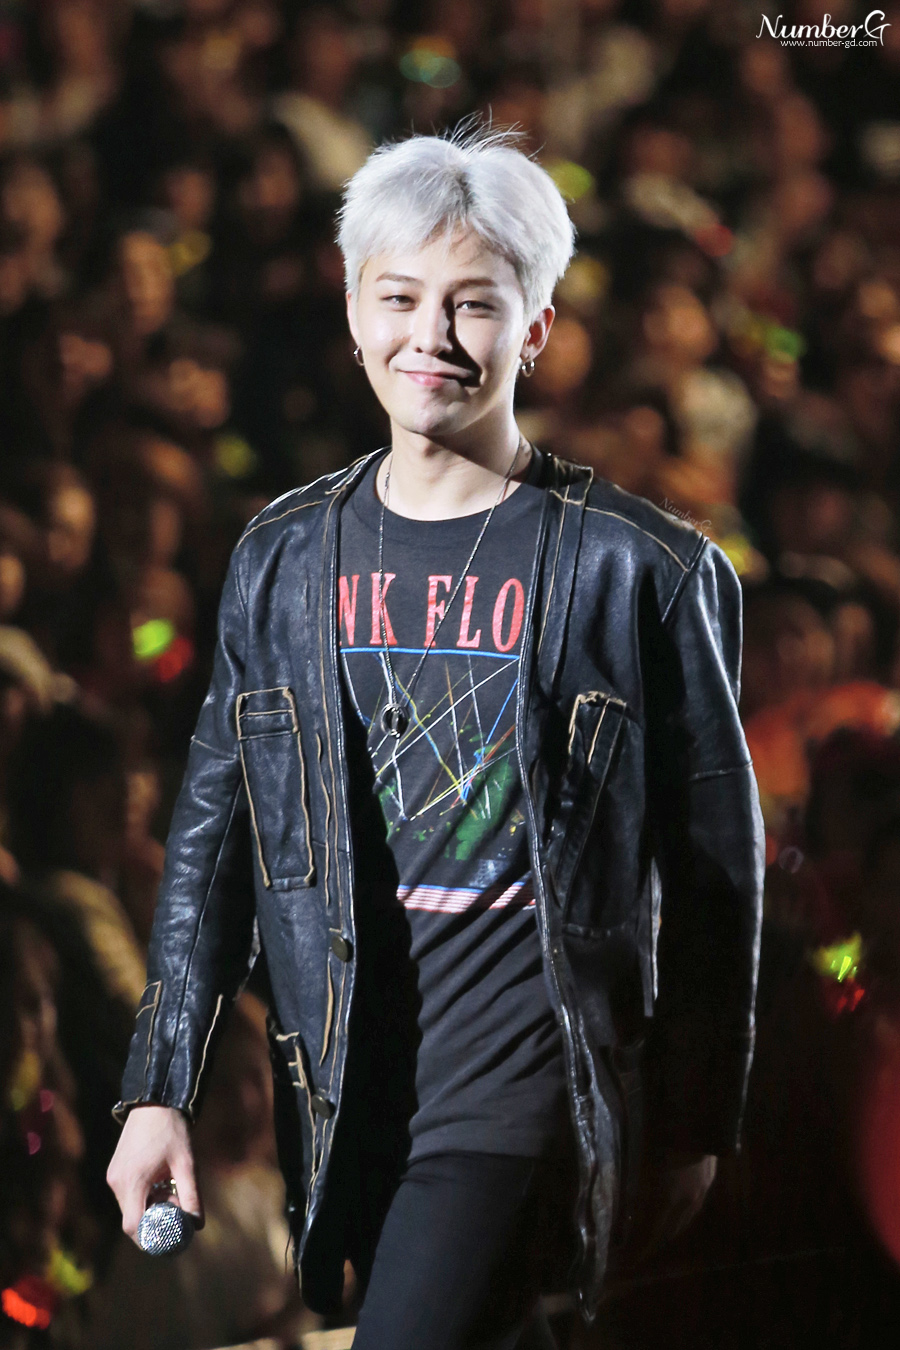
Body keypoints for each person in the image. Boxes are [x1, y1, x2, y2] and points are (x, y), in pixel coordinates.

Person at [106, 123, 765, 1350]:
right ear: (355, 311)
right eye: (401, 297)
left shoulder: (643, 571)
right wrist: (159, 1086)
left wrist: (694, 1123)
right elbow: (214, 840)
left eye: (474, 303)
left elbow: (718, 875)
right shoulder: (284, 556)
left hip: (526, 1087)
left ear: (536, 327)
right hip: (346, 1083)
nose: (433, 336)